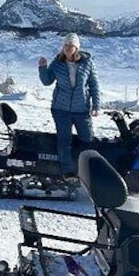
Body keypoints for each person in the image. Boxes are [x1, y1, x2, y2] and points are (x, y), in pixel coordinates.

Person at [38, 33, 101, 179]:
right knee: (64, 141)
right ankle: (68, 172)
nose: (67, 48)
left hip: (82, 109)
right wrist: (42, 69)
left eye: (70, 46)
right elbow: (47, 81)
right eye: (65, 46)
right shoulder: (58, 63)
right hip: (61, 109)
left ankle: (86, 170)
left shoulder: (87, 62)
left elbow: (94, 84)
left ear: (76, 47)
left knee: (87, 140)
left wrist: (96, 105)